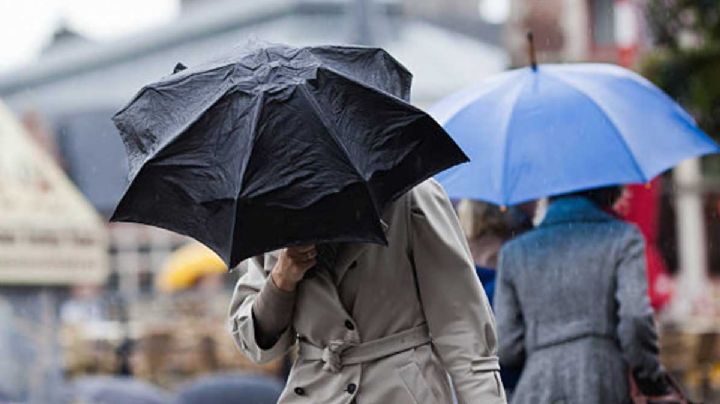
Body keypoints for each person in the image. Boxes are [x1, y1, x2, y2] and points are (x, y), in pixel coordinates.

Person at [228, 179, 506, 403]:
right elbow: (257, 345)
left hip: (401, 390)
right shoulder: (270, 213)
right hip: (316, 391)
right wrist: (281, 280)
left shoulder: (409, 195)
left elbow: (462, 329)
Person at [494, 186, 673, 403]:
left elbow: (507, 347)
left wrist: (546, 348)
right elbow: (635, 318)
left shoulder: (514, 252)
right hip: (602, 380)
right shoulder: (623, 238)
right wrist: (651, 378)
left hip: (536, 387)